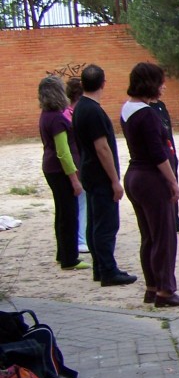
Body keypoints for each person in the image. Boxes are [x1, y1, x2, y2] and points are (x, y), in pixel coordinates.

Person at [119, 63, 179, 308]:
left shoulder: (128, 109)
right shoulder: (147, 113)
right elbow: (158, 153)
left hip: (135, 176)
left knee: (149, 235)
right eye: (160, 81)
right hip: (151, 178)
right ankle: (165, 290)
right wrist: (172, 181)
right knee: (164, 236)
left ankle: (152, 286)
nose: (163, 86)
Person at [71, 64, 137, 287]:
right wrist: (114, 180)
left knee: (94, 223)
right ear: (103, 83)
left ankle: (100, 268)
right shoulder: (93, 111)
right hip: (100, 176)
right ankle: (108, 270)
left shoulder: (80, 107)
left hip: (89, 172)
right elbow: (102, 148)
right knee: (106, 225)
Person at [38, 76, 87, 271]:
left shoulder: (46, 115)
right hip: (60, 171)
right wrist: (74, 178)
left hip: (50, 168)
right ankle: (70, 258)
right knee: (69, 214)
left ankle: (62, 253)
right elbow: (63, 152)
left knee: (62, 213)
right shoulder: (58, 118)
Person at [147, 96, 179, 232]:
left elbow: (168, 132)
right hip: (160, 154)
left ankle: (175, 219)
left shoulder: (161, 105)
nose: (163, 87)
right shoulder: (147, 109)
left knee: (174, 183)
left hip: (170, 150)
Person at [63, 77, 88, 254]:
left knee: (80, 202)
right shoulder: (76, 113)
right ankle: (81, 238)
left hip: (76, 160)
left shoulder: (66, 112)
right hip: (78, 160)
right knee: (82, 201)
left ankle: (80, 236)